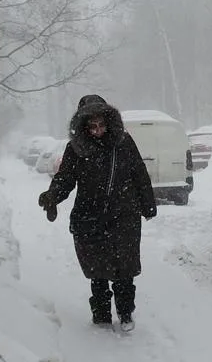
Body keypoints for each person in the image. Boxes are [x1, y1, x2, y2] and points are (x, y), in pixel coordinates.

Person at [37, 95, 157, 329]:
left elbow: (139, 173)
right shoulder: (75, 149)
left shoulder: (123, 142)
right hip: (89, 216)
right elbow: (65, 178)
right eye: (92, 127)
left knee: (125, 269)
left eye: (101, 125)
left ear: (109, 121)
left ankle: (125, 314)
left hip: (124, 215)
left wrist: (147, 203)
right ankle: (101, 314)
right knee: (97, 270)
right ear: (83, 126)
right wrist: (53, 195)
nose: (98, 130)